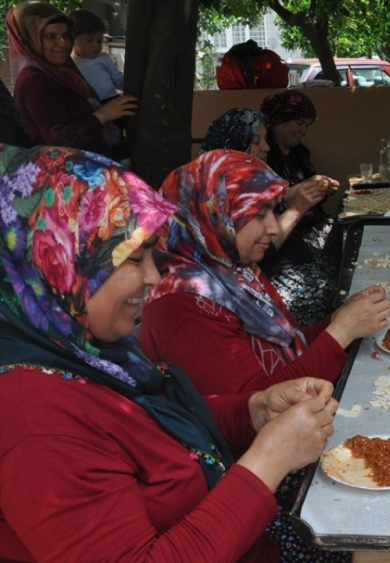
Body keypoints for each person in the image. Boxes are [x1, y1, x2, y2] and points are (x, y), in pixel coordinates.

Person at [0, 144, 339, 562]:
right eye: (134, 258)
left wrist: (251, 411)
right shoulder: (35, 420)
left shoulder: (88, 348)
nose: (154, 276)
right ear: (59, 263)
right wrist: (269, 461)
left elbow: (154, 431)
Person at [140, 149, 390, 397]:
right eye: (259, 215)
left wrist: (338, 319)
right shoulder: (185, 306)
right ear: (216, 216)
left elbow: (294, 343)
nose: (273, 227)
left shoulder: (237, 269)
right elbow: (259, 407)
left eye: (273, 211)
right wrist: (342, 333)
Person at [200, 107, 334, 267]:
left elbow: (277, 201)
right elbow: (259, 252)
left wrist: (306, 188)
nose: (266, 147)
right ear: (233, 144)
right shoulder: (220, 192)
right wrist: (297, 209)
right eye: (256, 141)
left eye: (265, 140)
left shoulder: (252, 179)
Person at [6, 2, 135, 160]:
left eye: (66, 36)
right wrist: (104, 114)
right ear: (31, 40)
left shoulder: (59, 72)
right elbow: (59, 139)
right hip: (77, 175)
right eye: (50, 36)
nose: (63, 43)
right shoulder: (36, 82)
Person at [258, 90, 342, 325]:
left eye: (307, 125)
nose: (303, 130)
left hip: (304, 228)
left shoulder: (299, 152)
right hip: (288, 240)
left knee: (348, 236)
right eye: (299, 123)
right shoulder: (262, 161)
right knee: (325, 285)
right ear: (278, 120)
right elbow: (275, 201)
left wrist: (320, 190)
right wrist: (303, 192)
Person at [69, 9, 123, 102]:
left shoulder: (103, 58)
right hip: (87, 109)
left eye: (99, 40)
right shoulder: (68, 64)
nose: (96, 45)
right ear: (72, 38)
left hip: (112, 101)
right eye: (89, 40)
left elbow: (118, 80)